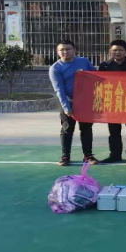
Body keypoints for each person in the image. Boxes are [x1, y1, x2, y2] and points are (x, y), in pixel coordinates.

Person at [49, 39, 98, 167]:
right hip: (68, 101)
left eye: (68, 49)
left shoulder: (83, 61)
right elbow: (59, 90)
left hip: (85, 101)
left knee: (86, 129)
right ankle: (65, 156)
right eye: (62, 50)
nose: (65, 52)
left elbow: (95, 76)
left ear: (74, 50)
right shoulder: (55, 68)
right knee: (67, 129)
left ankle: (88, 155)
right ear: (57, 52)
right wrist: (66, 107)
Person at [98, 40, 126, 165]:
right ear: (110, 51)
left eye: (120, 50)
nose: (117, 52)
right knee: (114, 131)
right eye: (114, 50)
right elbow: (100, 84)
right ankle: (115, 155)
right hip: (112, 103)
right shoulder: (104, 66)